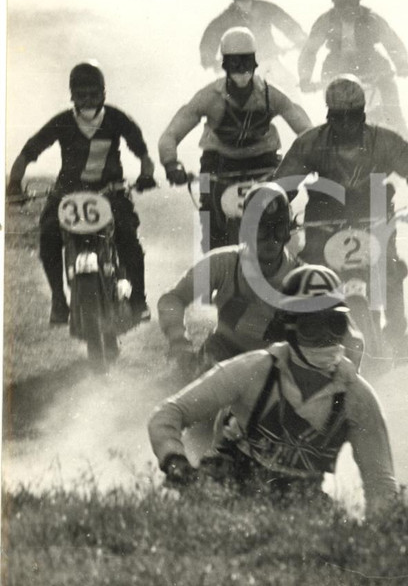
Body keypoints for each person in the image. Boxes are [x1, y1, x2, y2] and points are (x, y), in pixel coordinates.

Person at [148, 264, 400, 516]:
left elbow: (381, 482)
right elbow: (168, 414)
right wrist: (176, 465)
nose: (326, 338)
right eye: (311, 328)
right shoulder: (253, 371)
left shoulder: (357, 398)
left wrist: (378, 537)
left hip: (303, 503)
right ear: (288, 329)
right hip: (229, 489)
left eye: (334, 324)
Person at [269, 75, 408, 361]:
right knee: (310, 275)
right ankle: (303, 337)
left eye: (353, 117)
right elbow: (282, 184)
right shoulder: (310, 143)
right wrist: (277, 214)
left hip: (374, 218)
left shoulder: (385, 141)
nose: (346, 125)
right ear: (329, 115)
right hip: (324, 221)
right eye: (339, 117)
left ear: (363, 114)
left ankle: (398, 334)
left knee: (391, 271)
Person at [157, 182, 364, 376]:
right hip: (224, 358)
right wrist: (179, 342)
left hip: (279, 368)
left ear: (288, 232)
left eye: (279, 228)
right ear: (245, 231)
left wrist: (336, 383)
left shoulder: (305, 278)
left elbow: (353, 341)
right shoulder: (223, 263)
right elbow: (172, 299)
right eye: (262, 229)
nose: (271, 239)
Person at [5, 62, 156, 324]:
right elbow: (29, 152)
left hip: (111, 191)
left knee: (128, 236)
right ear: (71, 95)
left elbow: (142, 153)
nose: (87, 99)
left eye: (93, 93)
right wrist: (14, 183)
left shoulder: (118, 119)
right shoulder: (62, 122)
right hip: (67, 193)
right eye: (81, 93)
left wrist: (146, 174)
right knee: (49, 235)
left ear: (104, 94)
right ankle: (58, 300)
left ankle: (139, 299)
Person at [160, 27, 312, 251]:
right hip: (219, 169)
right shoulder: (209, 97)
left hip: (264, 167)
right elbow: (171, 134)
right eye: (235, 63)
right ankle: (216, 269)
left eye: (246, 62)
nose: (241, 70)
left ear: (255, 62)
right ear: (224, 65)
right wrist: (171, 163)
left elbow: (306, 130)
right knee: (213, 231)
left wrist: (308, 159)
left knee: (281, 223)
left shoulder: (272, 95)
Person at [298, 0, 408, 135]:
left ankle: (404, 151)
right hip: (336, 73)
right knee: (336, 118)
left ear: (358, 1)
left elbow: (392, 43)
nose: (347, 9)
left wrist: (402, 64)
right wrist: (305, 78)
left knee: (393, 112)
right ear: (334, 3)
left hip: (374, 69)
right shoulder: (325, 21)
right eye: (341, 4)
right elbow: (309, 51)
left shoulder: (372, 19)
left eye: (351, 3)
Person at [199, 0, 307, 90]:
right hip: (240, 70)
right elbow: (210, 38)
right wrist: (209, 59)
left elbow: (286, 23)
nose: (245, 1)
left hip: (268, 62)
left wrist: (301, 39)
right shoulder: (227, 18)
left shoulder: (264, 9)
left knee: (290, 86)